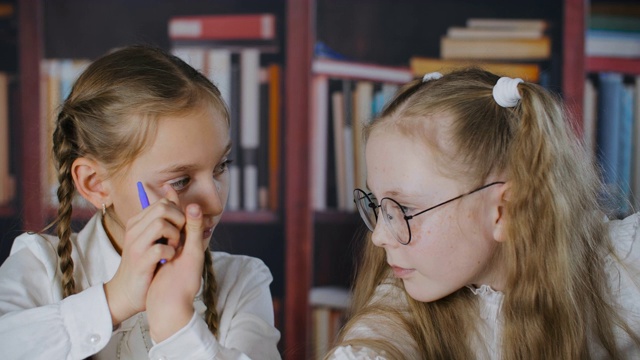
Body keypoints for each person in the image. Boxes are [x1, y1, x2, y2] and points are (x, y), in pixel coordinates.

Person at [325, 68, 640, 359]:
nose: (378, 236)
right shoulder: (406, 293)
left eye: (403, 208)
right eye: (377, 203)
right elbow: (373, 344)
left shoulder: (623, 268)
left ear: (504, 211)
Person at [0, 45, 281, 359]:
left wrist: (177, 322)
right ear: (95, 184)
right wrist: (113, 300)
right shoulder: (37, 264)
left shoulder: (242, 282)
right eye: (180, 181)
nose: (214, 203)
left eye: (221, 166)